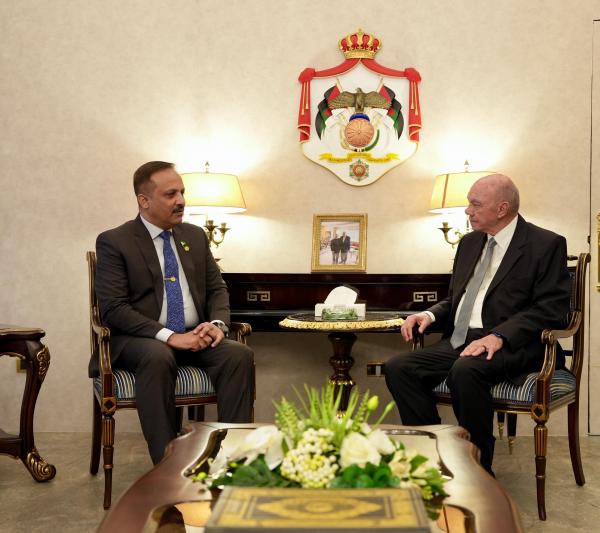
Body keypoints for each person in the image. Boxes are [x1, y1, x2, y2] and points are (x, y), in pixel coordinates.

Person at [384, 174, 570, 474]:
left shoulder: (545, 244)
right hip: (462, 339)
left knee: (466, 370)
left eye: (475, 204)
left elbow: (551, 309)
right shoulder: (469, 243)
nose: (467, 211)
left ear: (502, 208)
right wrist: (429, 315)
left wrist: (499, 336)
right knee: (399, 367)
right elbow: (459, 298)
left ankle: (477, 468)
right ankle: (433, 459)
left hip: (515, 344)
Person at [92, 161, 254, 464]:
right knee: (158, 355)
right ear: (144, 200)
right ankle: (168, 465)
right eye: (170, 194)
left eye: (181, 192)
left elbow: (217, 288)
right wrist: (170, 336)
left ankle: (232, 460)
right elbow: (114, 309)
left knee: (238, 355)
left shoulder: (194, 236)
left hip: (194, 336)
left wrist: (216, 324)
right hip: (140, 341)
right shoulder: (115, 241)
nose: (181, 200)